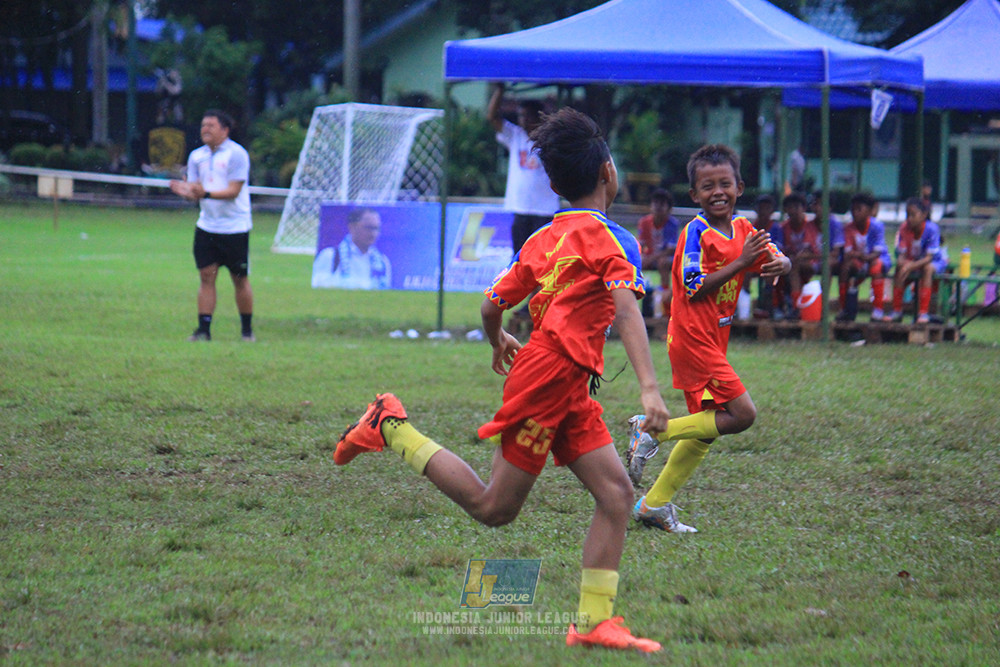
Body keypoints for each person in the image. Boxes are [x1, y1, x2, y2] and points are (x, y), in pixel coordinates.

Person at [333, 108, 666, 652]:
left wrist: (498, 341)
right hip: (548, 379)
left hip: (561, 378)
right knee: (495, 509)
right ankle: (390, 425)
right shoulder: (615, 242)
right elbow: (627, 312)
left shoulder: (541, 239)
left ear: (553, 185)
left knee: (615, 493)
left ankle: (592, 623)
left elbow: (492, 306)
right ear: (608, 172)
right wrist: (650, 388)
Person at [625, 144, 789, 533]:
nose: (718, 191)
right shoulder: (695, 233)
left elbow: (775, 256)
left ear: (740, 187)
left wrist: (783, 262)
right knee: (743, 415)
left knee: (707, 429)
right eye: (708, 185)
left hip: (714, 339)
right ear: (694, 195)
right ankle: (651, 431)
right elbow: (693, 285)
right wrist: (742, 263)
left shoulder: (746, 230)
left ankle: (654, 505)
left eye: (725, 183)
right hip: (692, 339)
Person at [169, 109, 254, 342]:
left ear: (225, 130)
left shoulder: (237, 154)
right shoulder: (197, 156)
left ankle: (247, 331)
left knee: (239, 278)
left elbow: (233, 191)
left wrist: (203, 192)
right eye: (203, 125)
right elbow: (196, 192)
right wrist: (185, 192)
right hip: (207, 226)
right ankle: (203, 330)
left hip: (234, 227)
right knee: (206, 276)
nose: (205, 129)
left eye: (211, 125)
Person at [487, 83, 560, 254]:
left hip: (545, 209)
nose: (523, 120)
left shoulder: (550, 139)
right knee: (519, 256)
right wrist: (500, 91)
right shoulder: (515, 135)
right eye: (520, 116)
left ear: (538, 117)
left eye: (528, 116)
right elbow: (492, 117)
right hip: (520, 207)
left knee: (543, 257)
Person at [884, 197, 946, 323]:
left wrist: (910, 266)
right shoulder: (903, 228)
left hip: (934, 262)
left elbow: (929, 258)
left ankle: (923, 313)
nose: (909, 218)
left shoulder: (931, 229)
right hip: (912, 263)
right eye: (907, 215)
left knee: (927, 269)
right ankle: (897, 311)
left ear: (923, 215)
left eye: (913, 215)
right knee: (899, 269)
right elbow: (901, 255)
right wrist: (904, 264)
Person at [837, 191, 892, 322]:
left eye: (859, 209)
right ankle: (844, 308)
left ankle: (878, 310)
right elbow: (848, 253)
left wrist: (861, 256)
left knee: (876, 266)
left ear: (869, 211)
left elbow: (877, 253)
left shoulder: (876, 226)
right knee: (845, 267)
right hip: (860, 261)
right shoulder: (848, 228)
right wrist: (859, 257)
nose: (855, 213)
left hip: (878, 260)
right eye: (853, 209)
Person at [311, 207, 391, 290]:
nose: (373, 233)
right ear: (352, 227)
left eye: (376, 228)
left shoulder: (383, 261)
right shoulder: (330, 255)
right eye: (368, 228)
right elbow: (318, 284)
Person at [636, 188, 680, 318]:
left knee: (663, 262)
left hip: (665, 258)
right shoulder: (644, 222)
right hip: (650, 256)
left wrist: (651, 257)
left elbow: (670, 249)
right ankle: (637, 291)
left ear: (669, 208)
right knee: (636, 261)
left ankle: (665, 294)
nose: (658, 207)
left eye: (662, 204)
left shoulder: (672, 224)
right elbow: (641, 244)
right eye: (655, 203)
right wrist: (642, 256)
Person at [778, 192, 822, 319]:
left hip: (810, 263)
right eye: (790, 207)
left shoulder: (809, 226)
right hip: (791, 263)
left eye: (797, 207)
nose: (794, 211)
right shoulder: (783, 228)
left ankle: (796, 307)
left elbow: (810, 251)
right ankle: (780, 307)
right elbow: (780, 250)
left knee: (794, 266)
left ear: (803, 208)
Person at [751, 194, 784, 319]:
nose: (763, 211)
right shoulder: (751, 227)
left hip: (769, 262)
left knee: (771, 272)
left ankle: (771, 307)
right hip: (753, 261)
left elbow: (779, 249)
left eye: (767, 208)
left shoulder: (776, 228)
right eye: (761, 207)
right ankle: (741, 308)